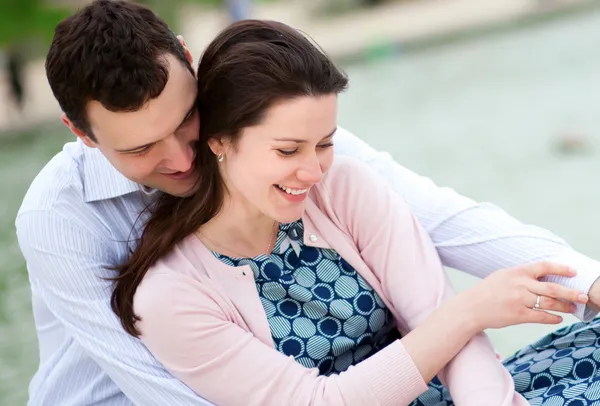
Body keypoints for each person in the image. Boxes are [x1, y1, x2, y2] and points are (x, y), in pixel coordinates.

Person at [14, 0, 600, 405]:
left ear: (191, 65)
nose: (181, 156)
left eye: (187, 120)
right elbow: (156, 383)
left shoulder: (298, 153)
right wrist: (466, 314)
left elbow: (443, 222)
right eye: (142, 148)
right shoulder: (62, 222)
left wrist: (588, 285)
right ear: (81, 133)